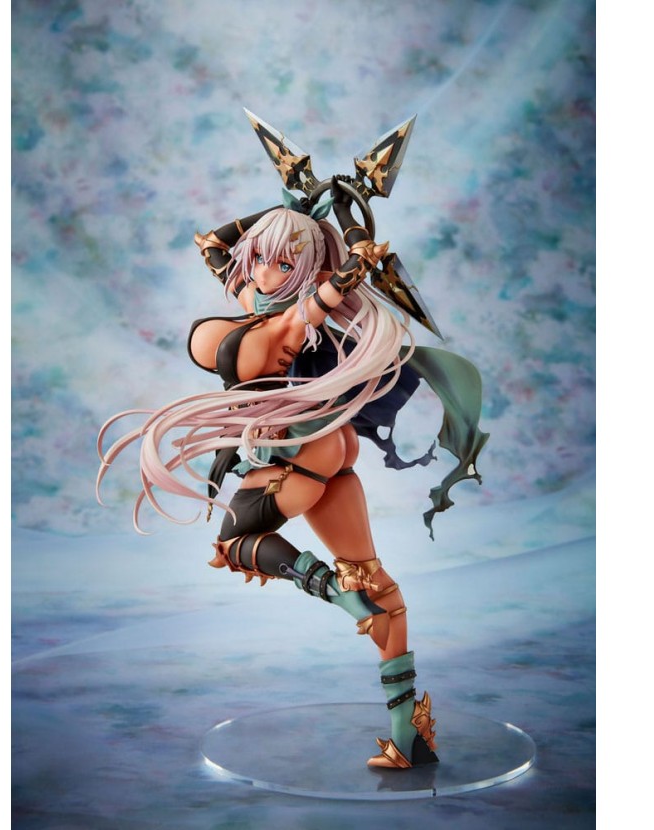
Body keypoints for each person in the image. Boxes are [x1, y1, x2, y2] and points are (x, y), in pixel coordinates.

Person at [97, 177, 488, 769]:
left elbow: (345, 278)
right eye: (261, 258)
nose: (265, 271)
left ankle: (340, 598)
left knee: (233, 545)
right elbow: (213, 244)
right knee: (372, 576)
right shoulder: (254, 301)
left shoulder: (294, 318)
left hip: (302, 446)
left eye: (285, 263)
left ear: (305, 269)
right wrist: (298, 207)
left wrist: (348, 234)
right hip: (324, 448)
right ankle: (409, 735)